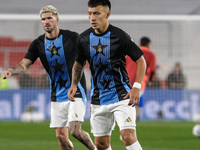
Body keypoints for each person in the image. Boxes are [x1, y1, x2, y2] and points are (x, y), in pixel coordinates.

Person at [2, 5, 96, 150]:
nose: (46, 21)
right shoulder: (38, 44)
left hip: (76, 91)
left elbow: (86, 56)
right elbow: (24, 64)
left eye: (50, 18)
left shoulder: (72, 37)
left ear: (57, 19)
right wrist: (11, 71)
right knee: (61, 137)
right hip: (57, 95)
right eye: (43, 19)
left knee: (75, 131)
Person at [68, 0, 146, 150]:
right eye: (90, 13)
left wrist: (136, 86)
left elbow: (140, 60)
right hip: (98, 98)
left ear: (107, 14)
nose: (92, 17)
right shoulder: (83, 39)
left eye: (97, 13)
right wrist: (74, 84)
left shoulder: (120, 36)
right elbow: (78, 63)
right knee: (101, 144)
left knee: (128, 136)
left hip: (122, 96)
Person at [126, 37, 157, 120]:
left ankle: (126, 121)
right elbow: (152, 70)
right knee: (136, 103)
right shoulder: (151, 55)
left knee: (125, 102)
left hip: (126, 81)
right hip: (139, 82)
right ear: (149, 45)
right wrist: (150, 80)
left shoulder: (130, 53)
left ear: (140, 44)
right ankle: (133, 121)